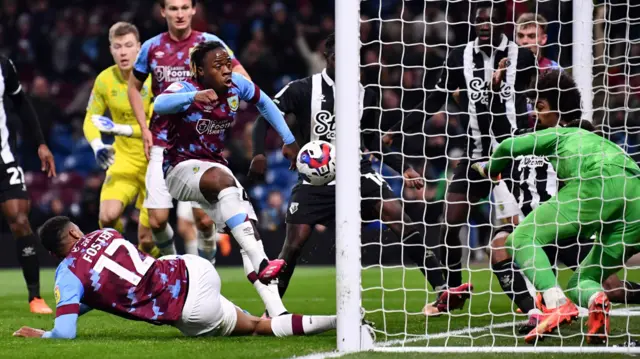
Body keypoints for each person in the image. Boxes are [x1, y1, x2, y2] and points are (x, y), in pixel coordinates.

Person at [251, 33, 472, 316]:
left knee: (397, 215)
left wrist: (403, 168)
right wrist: (263, 151)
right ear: (326, 58)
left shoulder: (366, 93)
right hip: (316, 179)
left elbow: (373, 140)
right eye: (337, 58)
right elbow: (264, 115)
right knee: (293, 245)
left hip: (358, 173)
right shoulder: (303, 89)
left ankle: (443, 291)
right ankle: (270, 312)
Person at [473, 69, 640, 344]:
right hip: (634, 198)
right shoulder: (598, 139)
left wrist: (490, 168)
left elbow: (504, 148)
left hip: (599, 184)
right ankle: (595, 303)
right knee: (583, 282)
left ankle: (554, 303)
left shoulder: (558, 134)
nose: (536, 115)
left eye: (539, 108)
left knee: (520, 238)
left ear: (557, 112)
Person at [382, 1, 536, 289]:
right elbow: (433, 100)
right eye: (479, 21)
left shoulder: (523, 58)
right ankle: (453, 288)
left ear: (503, 23)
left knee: (532, 222)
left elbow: (537, 100)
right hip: (475, 154)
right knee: (449, 225)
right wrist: (396, 130)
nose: (483, 25)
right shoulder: (458, 57)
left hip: (516, 153)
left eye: (489, 21)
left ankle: (542, 287)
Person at [12, 216, 336, 339]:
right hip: (192, 268)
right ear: (74, 231)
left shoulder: (67, 273)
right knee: (256, 323)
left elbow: (65, 332)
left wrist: (45, 334)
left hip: (188, 307)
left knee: (253, 329)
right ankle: (337, 320)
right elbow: (104, 282)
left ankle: (334, 321)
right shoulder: (106, 232)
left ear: (55, 253)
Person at [153, 40, 296, 318]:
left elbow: (264, 103)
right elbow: (160, 103)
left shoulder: (236, 86)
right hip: (179, 170)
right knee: (223, 180)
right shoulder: (186, 88)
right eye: (217, 66)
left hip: (215, 169)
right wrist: (192, 98)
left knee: (249, 235)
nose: (226, 70)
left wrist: (288, 139)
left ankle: (277, 312)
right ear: (200, 71)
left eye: (227, 63)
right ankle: (262, 261)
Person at [128, 0, 250, 260]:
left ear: (194, 10)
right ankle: (173, 264)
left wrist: (238, 95)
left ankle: (207, 272)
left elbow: (239, 74)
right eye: (173, 8)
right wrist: (143, 127)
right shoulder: (151, 48)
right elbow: (133, 88)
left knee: (205, 222)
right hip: (163, 141)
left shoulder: (209, 43)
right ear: (163, 11)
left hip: (200, 145)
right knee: (158, 221)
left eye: (184, 7)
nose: (179, 13)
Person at [83, 22, 157, 256]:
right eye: (118, 47)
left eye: (128, 46)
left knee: (146, 240)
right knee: (107, 218)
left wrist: (117, 128)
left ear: (139, 47)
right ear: (111, 49)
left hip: (153, 162)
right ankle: (124, 256)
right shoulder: (105, 79)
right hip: (123, 159)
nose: (123, 52)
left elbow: (154, 128)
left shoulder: (154, 78)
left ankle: (159, 270)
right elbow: (90, 118)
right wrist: (97, 146)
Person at [0, 55, 56, 313]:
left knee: (20, 220)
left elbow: (21, 102)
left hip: (4, 158)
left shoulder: (3, 64)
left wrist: (40, 143)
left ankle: (35, 297)